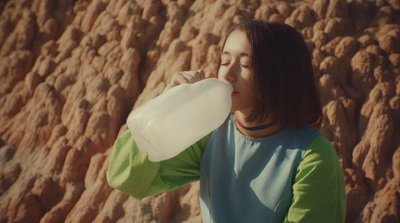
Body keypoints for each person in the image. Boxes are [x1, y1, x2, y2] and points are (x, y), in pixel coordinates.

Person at [107, 20, 346, 223]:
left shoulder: (313, 156)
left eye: (244, 65)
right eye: (224, 61)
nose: (228, 74)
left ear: (279, 77)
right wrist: (169, 106)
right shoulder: (211, 132)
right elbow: (126, 178)